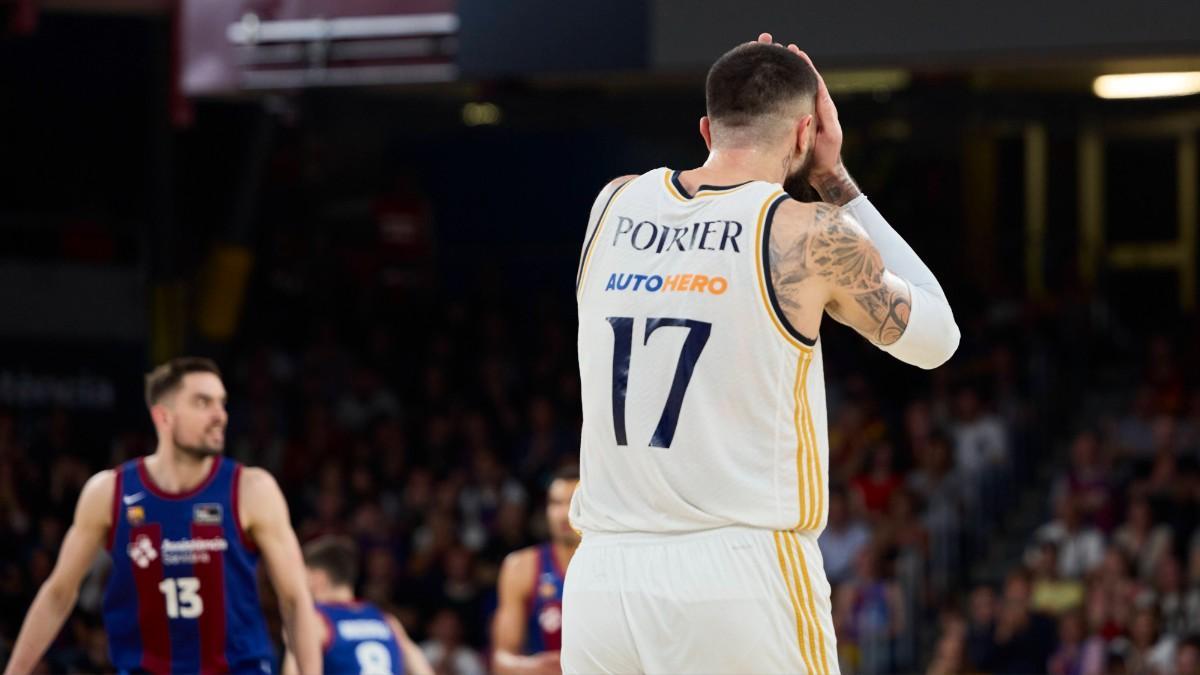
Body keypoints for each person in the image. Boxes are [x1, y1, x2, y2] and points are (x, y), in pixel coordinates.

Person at [565, 32, 959, 674]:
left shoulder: (612, 204)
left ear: (705, 128)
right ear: (806, 133)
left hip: (603, 578)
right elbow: (938, 338)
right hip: (738, 574)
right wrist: (835, 178)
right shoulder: (806, 232)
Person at [4, 357, 322, 674]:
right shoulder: (109, 492)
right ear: (163, 416)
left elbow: (295, 601)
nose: (220, 416)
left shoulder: (253, 489)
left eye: (222, 403)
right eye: (203, 403)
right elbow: (58, 594)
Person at [283, 535, 432, 675]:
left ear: (318, 578)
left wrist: (292, 641)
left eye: (304, 575)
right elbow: (422, 670)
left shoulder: (314, 621)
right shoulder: (386, 620)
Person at [492, 467, 580, 675]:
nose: (563, 513)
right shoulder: (521, 567)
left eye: (573, 502)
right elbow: (501, 661)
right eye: (555, 503)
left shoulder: (613, 565)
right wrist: (543, 667)